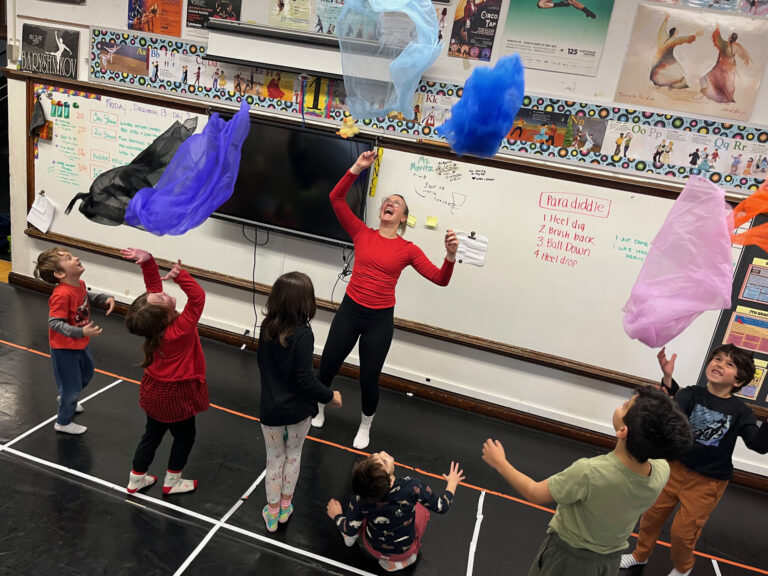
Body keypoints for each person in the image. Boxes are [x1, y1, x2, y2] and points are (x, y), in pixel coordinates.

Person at [311, 150, 459, 449]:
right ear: (381, 211)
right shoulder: (362, 233)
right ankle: (318, 409)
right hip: (351, 311)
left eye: (397, 204)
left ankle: (365, 425)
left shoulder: (408, 249)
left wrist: (451, 256)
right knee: (327, 366)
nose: (389, 204)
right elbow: (336, 199)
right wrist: (356, 167)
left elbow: (440, 279)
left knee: (369, 378)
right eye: (387, 202)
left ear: (403, 217)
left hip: (379, 319)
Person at [483, 386, 692, 576]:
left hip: (568, 559)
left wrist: (500, 462)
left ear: (623, 431)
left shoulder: (590, 472)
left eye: (625, 406)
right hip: (608, 562)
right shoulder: (662, 470)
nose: (621, 406)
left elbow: (535, 492)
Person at [620, 345, 768, 576]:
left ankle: (683, 568)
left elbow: (758, 446)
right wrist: (667, 377)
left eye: (729, 364)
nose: (719, 364)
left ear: (738, 381)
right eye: (717, 359)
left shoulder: (741, 411)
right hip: (672, 470)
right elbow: (673, 409)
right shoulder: (691, 394)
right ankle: (640, 555)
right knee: (650, 517)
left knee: (683, 531)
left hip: (707, 481)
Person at [257, 271, 343, 532]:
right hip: (298, 411)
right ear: (305, 303)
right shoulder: (303, 334)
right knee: (293, 455)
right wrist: (330, 397)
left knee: (274, 460)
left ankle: (272, 513)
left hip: (271, 409)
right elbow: (305, 378)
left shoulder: (266, 327)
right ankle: (285, 508)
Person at [121, 248, 209, 495]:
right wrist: (182, 277)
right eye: (160, 297)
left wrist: (148, 261)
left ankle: (136, 479)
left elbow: (153, 287)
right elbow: (198, 299)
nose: (161, 292)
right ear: (163, 315)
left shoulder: (156, 328)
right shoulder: (180, 329)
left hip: (154, 392)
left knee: (152, 434)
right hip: (176, 396)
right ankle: (173, 481)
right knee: (184, 437)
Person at [327, 453, 465, 572]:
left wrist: (337, 516)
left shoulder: (360, 499)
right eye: (384, 460)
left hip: (371, 547)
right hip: (402, 552)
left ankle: (349, 539)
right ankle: (399, 562)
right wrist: (452, 483)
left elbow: (349, 528)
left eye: (376, 455)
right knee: (422, 511)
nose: (383, 452)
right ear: (391, 481)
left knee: (359, 515)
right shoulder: (412, 486)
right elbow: (442, 506)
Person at [34, 248, 115, 435]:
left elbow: (86, 297)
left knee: (86, 374)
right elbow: (54, 322)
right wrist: (80, 331)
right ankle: (62, 421)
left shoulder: (79, 284)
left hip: (80, 343)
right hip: (64, 348)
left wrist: (104, 298)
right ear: (60, 273)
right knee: (72, 386)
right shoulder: (61, 295)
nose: (76, 258)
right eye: (69, 258)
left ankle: (66, 396)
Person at [700, 28, 751, 104]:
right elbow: (743, 54)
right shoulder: (737, 46)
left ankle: (722, 97)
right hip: (730, 67)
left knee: (711, 79)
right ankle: (727, 98)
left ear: (729, 37)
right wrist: (746, 60)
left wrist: (717, 30)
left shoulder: (725, 44)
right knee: (726, 83)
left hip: (722, 66)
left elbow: (717, 38)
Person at [650, 14, 701, 89]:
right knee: (675, 70)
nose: (678, 31)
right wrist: (696, 35)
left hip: (658, 57)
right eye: (677, 30)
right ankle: (670, 84)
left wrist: (666, 19)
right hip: (667, 58)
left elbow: (662, 29)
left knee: (664, 71)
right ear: (674, 32)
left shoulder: (664, 37)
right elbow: (683, 39)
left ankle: (666, 84)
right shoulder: (673, 39)